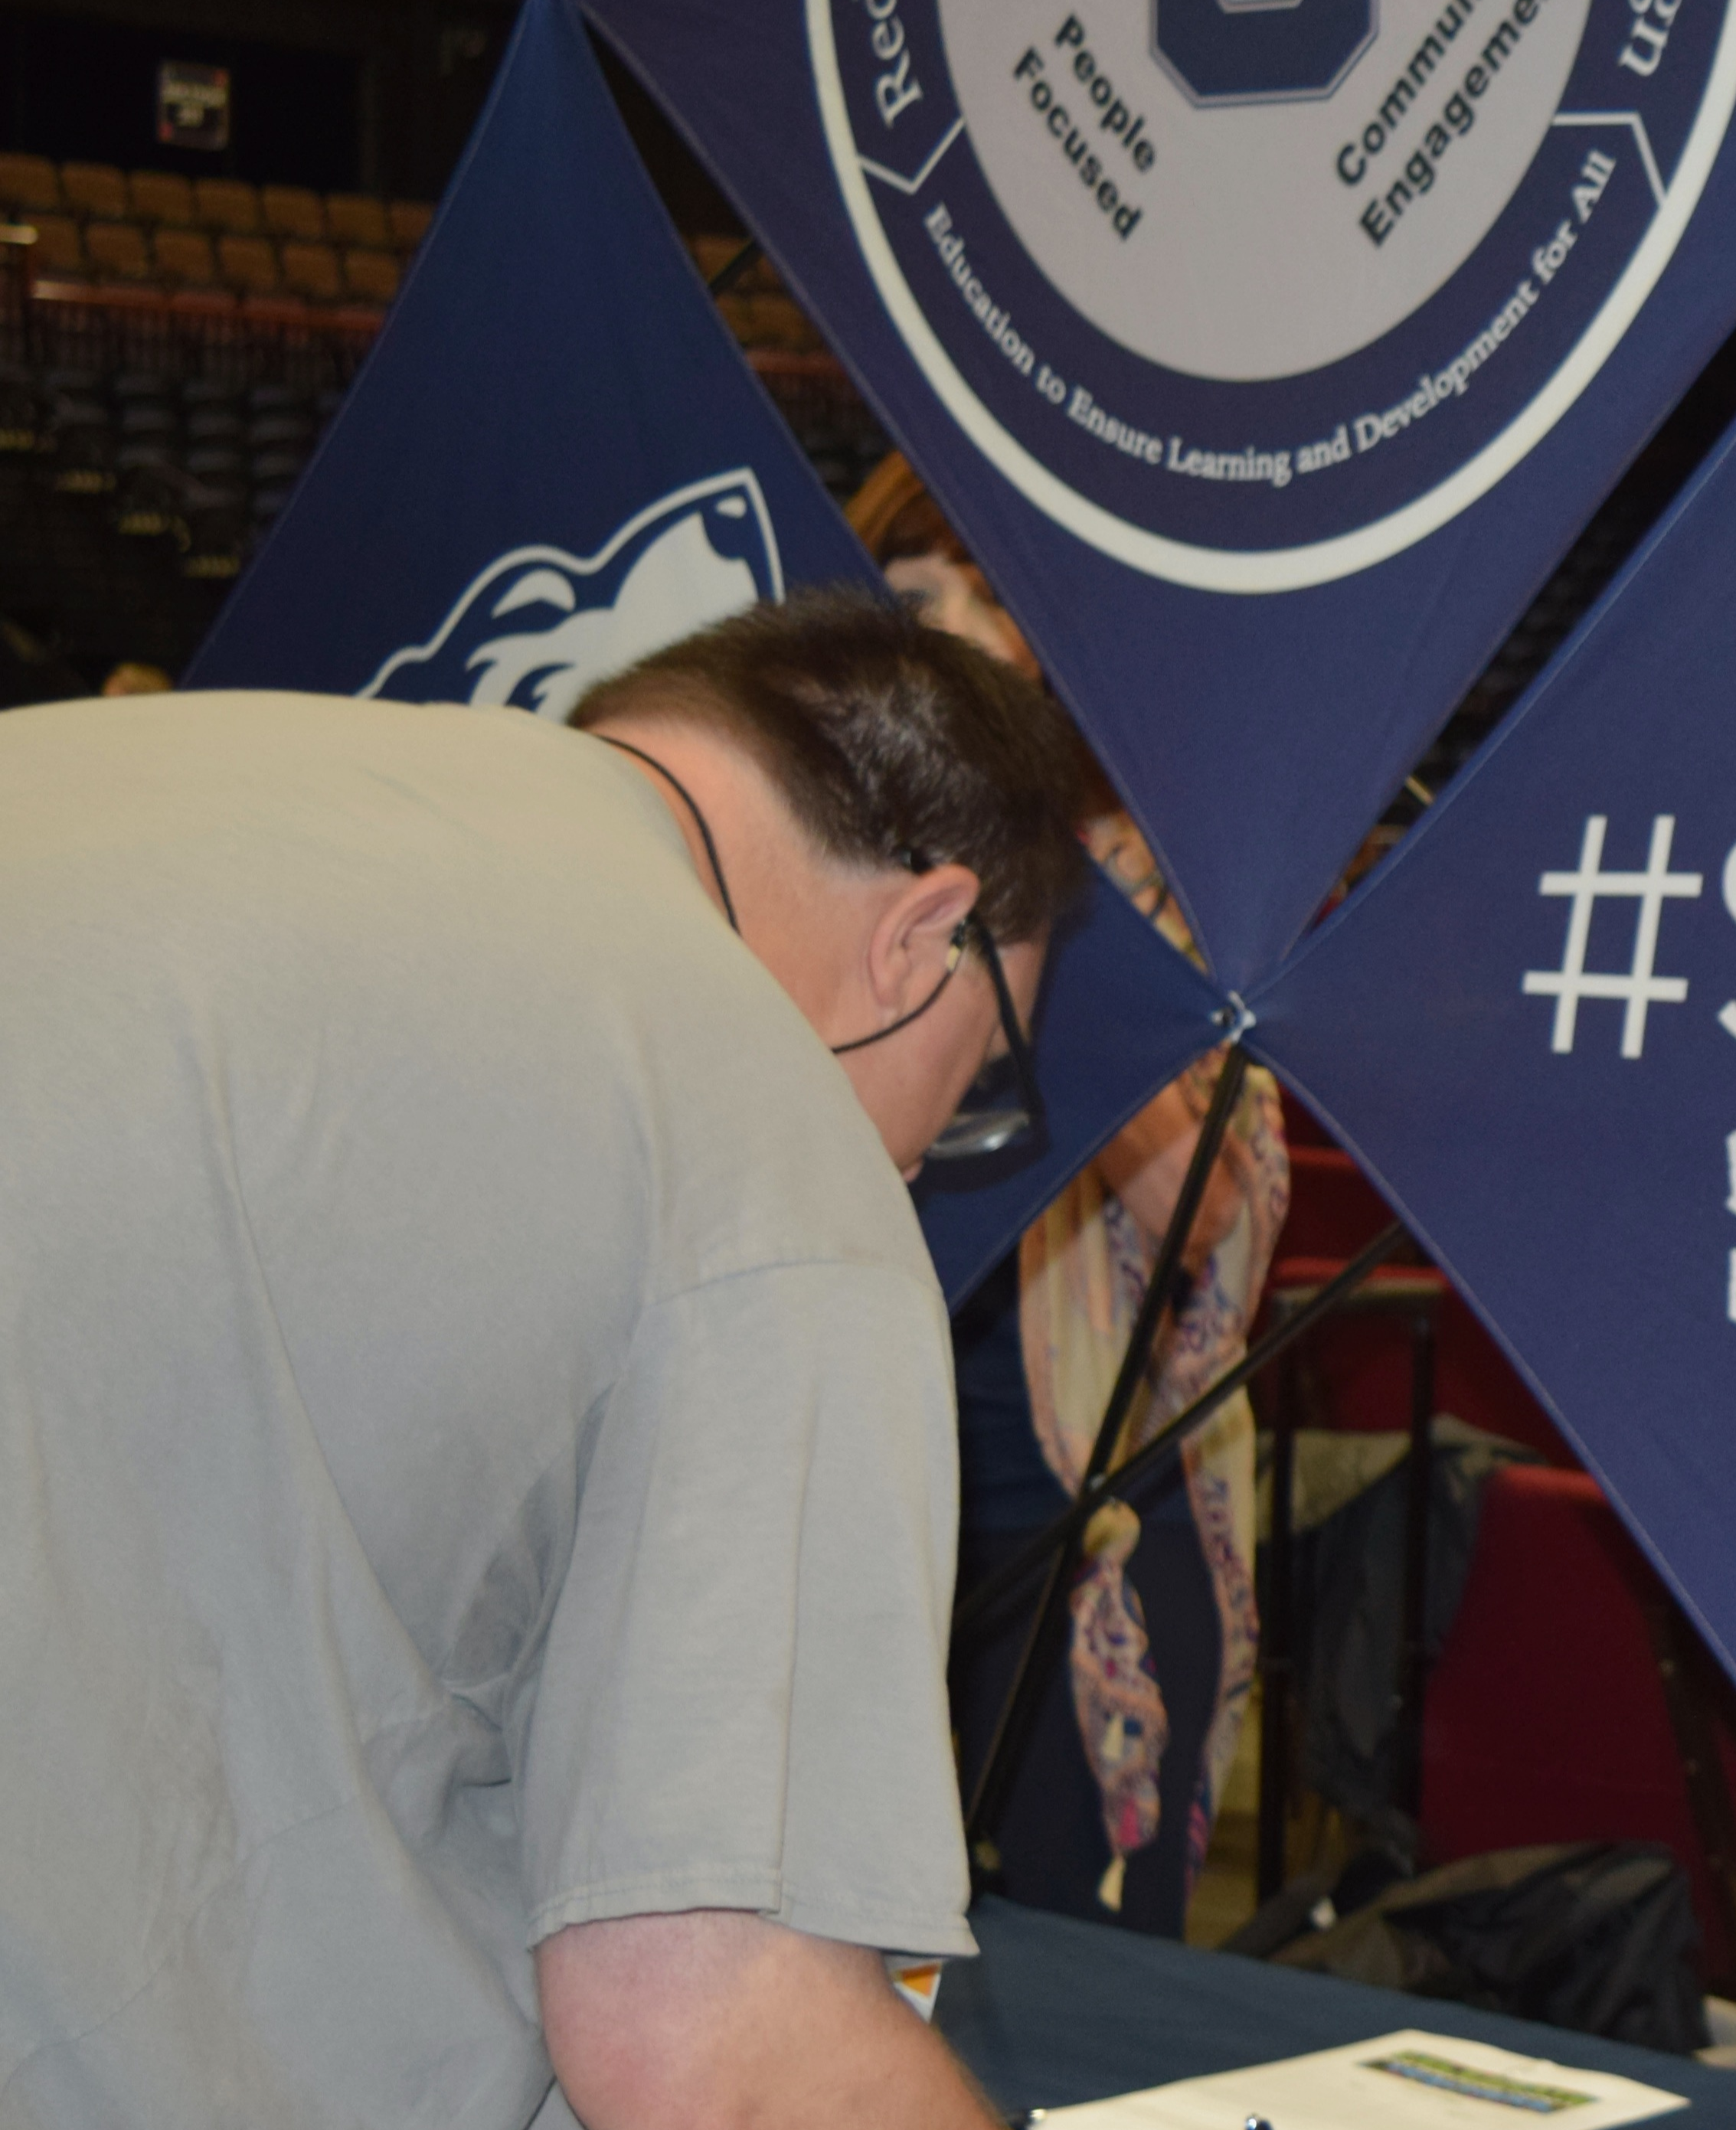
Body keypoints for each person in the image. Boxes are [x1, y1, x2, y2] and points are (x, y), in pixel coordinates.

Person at [0, 593, 1087, 2126]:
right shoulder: (754, 1135)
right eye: (975, 1086)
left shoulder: (170, 771)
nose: (916, 1167)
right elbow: (723, 2048)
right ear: (922, 940)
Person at [844, 454, 1293, 1936]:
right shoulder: (832, 890)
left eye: (986, 619)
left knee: (1072, 1963)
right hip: (868, 1487)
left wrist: (1055, 918)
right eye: (914, 609)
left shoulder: (1154, 889)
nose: (948, 655)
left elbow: (1207, 1223)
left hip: (1084, 1506)